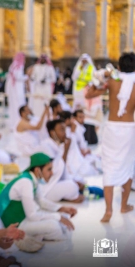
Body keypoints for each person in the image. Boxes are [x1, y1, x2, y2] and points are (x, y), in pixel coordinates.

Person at [85, 52, 135, 223]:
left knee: (109, 166)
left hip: (112, 128)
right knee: (128, 167)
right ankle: (124, 205)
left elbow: (89, 94)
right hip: (129, 129)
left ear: (119, 66)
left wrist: (101, 77)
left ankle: (108, 211)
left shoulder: (112, 81)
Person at [0, 153, 76, 247]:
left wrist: (62, 208)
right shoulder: (26, 182)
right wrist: (58, 217)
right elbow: (32, 215)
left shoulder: (32, 178)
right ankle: (36, 234)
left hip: (24, 218)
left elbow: (41, 201)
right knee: (54, 226)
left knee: (63, 218)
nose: (52, 173)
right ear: (37, 170)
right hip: (16, 224)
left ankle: (38, 234)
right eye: (49, 169)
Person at [38, 120, 85, 203]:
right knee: (72, 186)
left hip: (55, 182)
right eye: (62, 130)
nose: (65, 133)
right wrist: (66, 150)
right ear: (52, 133)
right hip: (46, 187)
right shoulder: (46, 146)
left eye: (65, 130)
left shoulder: (57, 145)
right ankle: (66, 198)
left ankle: (65, 196)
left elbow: (61, 172)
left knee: (80, 182)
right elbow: (55, 171)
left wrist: (73, 180)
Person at [59, 111, 99, 177]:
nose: (73, 121)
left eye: (83, 117)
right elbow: (69, 147)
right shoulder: (68, 131)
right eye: (72, 119)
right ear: (67, 120)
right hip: (72, 159)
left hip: (78, 155)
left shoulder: (73, 128)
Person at [5, 52, 27, 130]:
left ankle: (13, 123)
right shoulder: (19, 66)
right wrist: (27, 77)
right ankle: (17, 124)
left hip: (13, 89)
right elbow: (18, 77)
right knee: (18, 106)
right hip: (17, 89)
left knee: (13, 106)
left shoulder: (12, 65)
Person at [30, 54, 56, 118]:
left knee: (46, 101)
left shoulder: (50, 68)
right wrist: (36, 80)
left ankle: (47, 115)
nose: (42, 60)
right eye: (41, 59)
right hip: (38, 87)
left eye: (44, 59)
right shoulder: (36, 67)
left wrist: (46, 81)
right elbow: (33, 76)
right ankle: (37, 115)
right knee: (37, 102)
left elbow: (54, 79)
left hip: (46, 88)